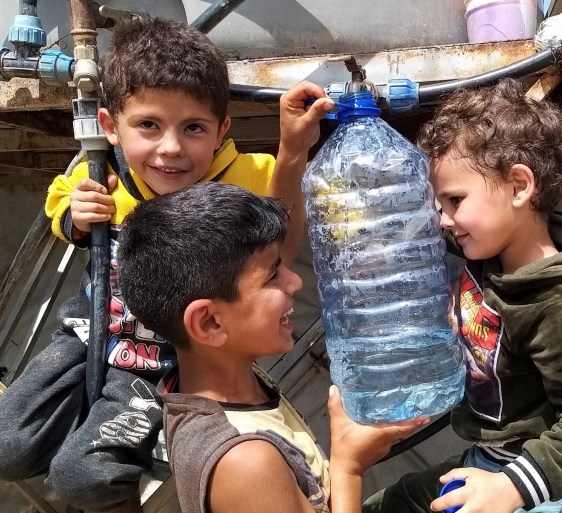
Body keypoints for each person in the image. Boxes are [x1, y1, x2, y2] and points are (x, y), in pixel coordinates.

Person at [0, 16, 333, 513]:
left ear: (221, 131)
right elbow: (60, 203)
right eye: (149, 125)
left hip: (156, 362)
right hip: (88, 333)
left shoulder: (240, 179)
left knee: (83, 477)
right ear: (111, 127)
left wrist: (291, 152)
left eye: (193, 128)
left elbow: (280, 232)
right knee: (10, 445)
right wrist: (76, 215)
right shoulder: (102, 176)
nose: (171, 148)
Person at [363, 78, 562, 513]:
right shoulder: (492, 251)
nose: (444, 220)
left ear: (519, 187)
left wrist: (511, 489)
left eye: (454, 200)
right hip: (488, 460)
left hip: (533, 488)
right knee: (391, 502)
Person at [116, 181, 427, 513]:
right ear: (210, 323)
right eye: (272, 276)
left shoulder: (235, 376)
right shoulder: (245, 462)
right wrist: (348, 466)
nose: (295, 282)